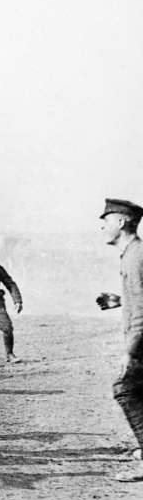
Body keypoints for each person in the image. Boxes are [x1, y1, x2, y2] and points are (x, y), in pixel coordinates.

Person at [96, 198, 143, 483]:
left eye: (107, 219)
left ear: (122, 222)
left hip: (142, 341)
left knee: (124, 388)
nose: (102, 225)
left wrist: (131, 350)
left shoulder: (136, 256)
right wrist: (121, 301)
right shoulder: (133, 253)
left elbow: (142, 312)